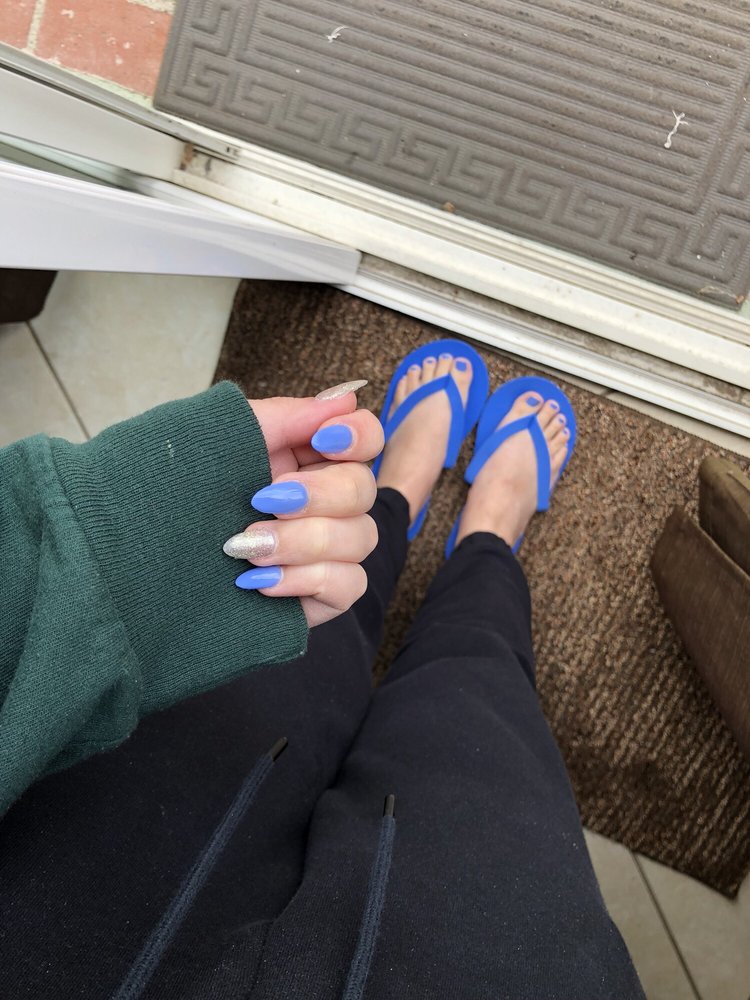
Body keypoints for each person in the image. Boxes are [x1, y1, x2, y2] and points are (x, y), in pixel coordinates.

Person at [0, 350, 644, 999]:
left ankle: (395, 504)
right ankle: (488, 539)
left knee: (295, 639)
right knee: (476, 703)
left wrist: (73, 547)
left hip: (74, 869)